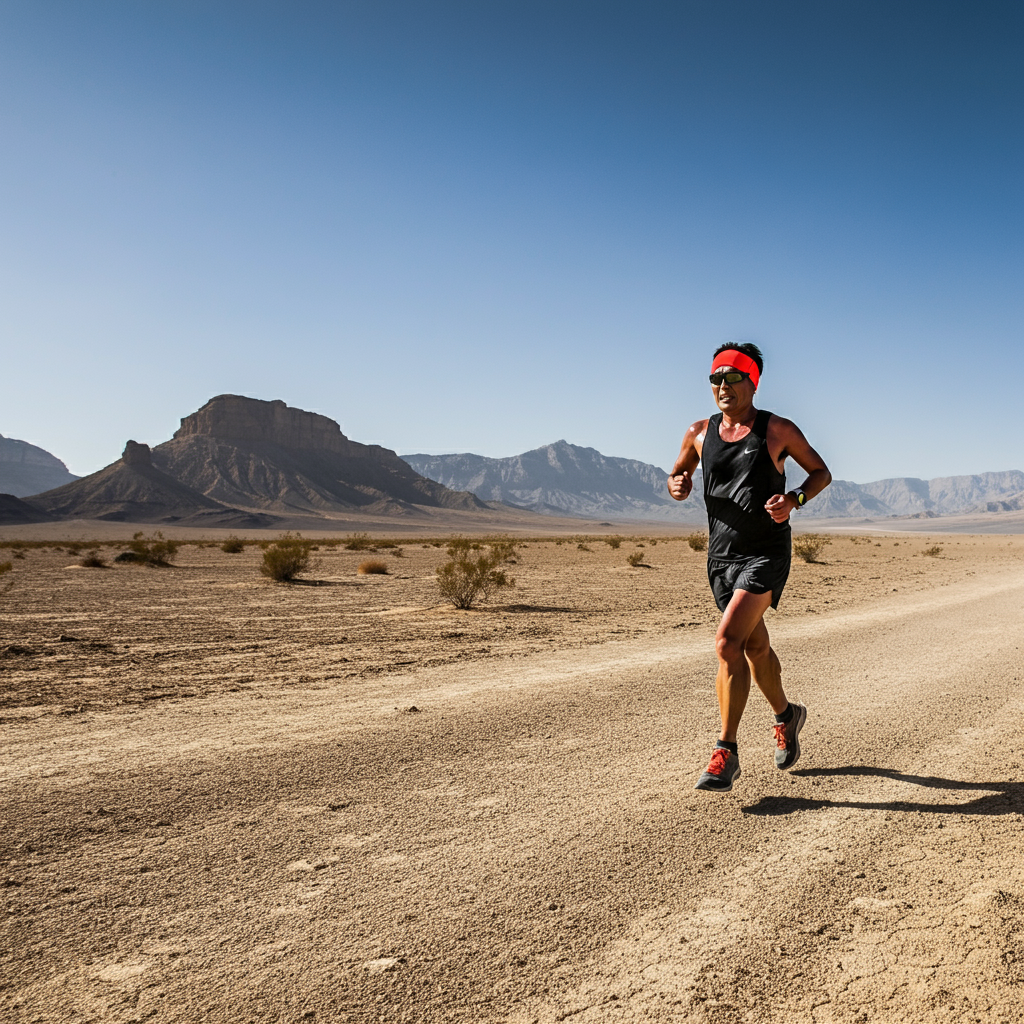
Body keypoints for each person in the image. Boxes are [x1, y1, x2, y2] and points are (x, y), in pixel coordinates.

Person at [667, 343, 832, 792]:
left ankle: (725, 751)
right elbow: (678, 474)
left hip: (766, 553)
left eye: (732, 378)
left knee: (727, 642)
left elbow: (820, 473)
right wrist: (677, 484)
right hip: (721, 558)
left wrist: (794, 499)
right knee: (755, 648)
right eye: (715, 379)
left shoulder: (777, 430)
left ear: (752, 383)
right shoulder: (698, 433)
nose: (722, 386)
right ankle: (787, 715)